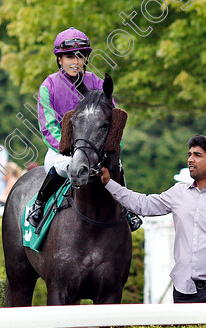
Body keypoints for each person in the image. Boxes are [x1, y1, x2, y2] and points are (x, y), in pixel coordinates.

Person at [100, 135, 206, 303]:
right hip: (183, 289)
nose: (190, 160)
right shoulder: (177, 192)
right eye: (189, 154)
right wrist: (109, 183)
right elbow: (143, 205)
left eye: (197, 155)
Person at [27, 27, 141, 229]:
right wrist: (71, 151)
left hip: (95, 150)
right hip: (61, 151)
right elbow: (48, 127)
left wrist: (110, 149)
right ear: (60, 60)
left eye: (80, 56)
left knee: (117, 166)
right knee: (62, 168)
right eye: (69, 57)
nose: (74, 61)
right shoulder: (49, 86)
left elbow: (112, 119)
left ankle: (127, 209)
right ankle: (39, 202)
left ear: (86, 59)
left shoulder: (97, 83)